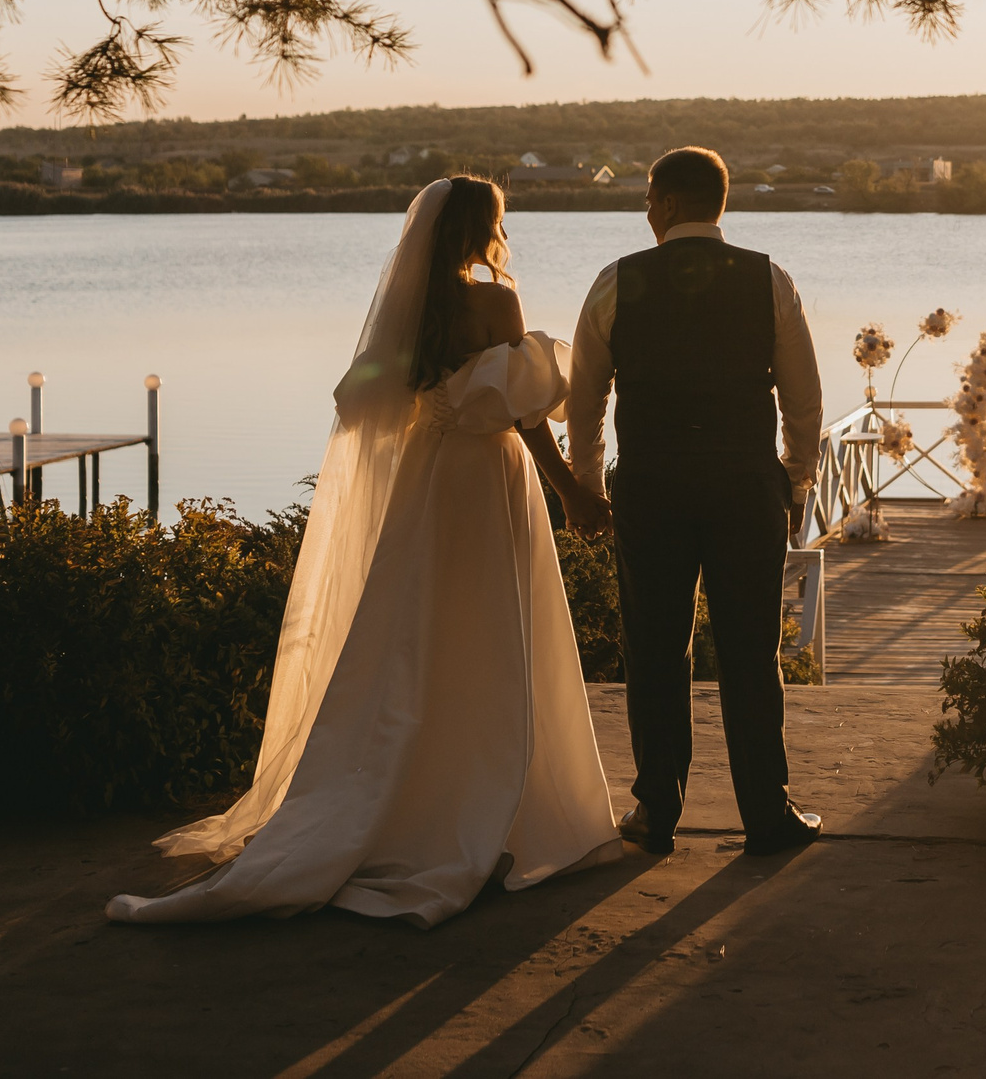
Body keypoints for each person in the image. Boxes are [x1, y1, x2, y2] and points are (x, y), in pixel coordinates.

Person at [106, 177, 623, 928]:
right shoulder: (493, 302)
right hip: (484, 474)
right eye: (499, 222)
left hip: (427, 475)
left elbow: (364, 402)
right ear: (483, 228)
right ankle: (488, 805)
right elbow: (523, 414)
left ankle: (407, 795)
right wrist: (572, 492)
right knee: (490, 631)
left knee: (417, 631)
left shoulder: (411, 310)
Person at [565, 146, 826, 857]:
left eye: (649, 198)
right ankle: (766, 815)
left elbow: (585, 401)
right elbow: (804, 397)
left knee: (654, 647)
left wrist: (587, 487)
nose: (646, 211)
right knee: (750, 650)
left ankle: (656, 814)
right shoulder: (767, 279)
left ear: (671, 202)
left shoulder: (616, 282)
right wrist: (794, 481)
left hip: (650, 486)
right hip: (745, 485)